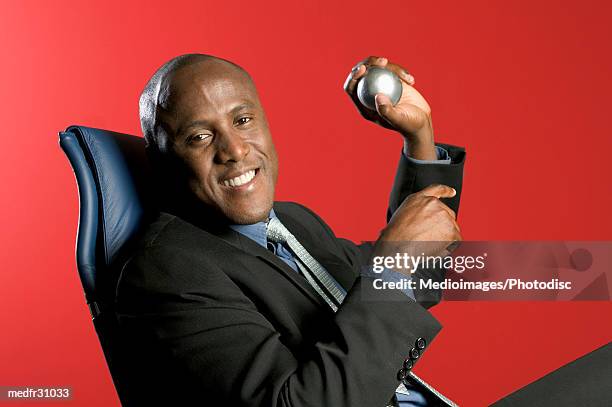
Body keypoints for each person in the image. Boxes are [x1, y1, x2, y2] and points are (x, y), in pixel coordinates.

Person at [114, 53, 466, 406]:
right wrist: (393, 263)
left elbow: (412, 282)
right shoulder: (168, 272)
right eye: (200, 137)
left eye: (243, 119)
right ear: (162, 161)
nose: (235, 149)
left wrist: (419, 135)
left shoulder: (292, 222)